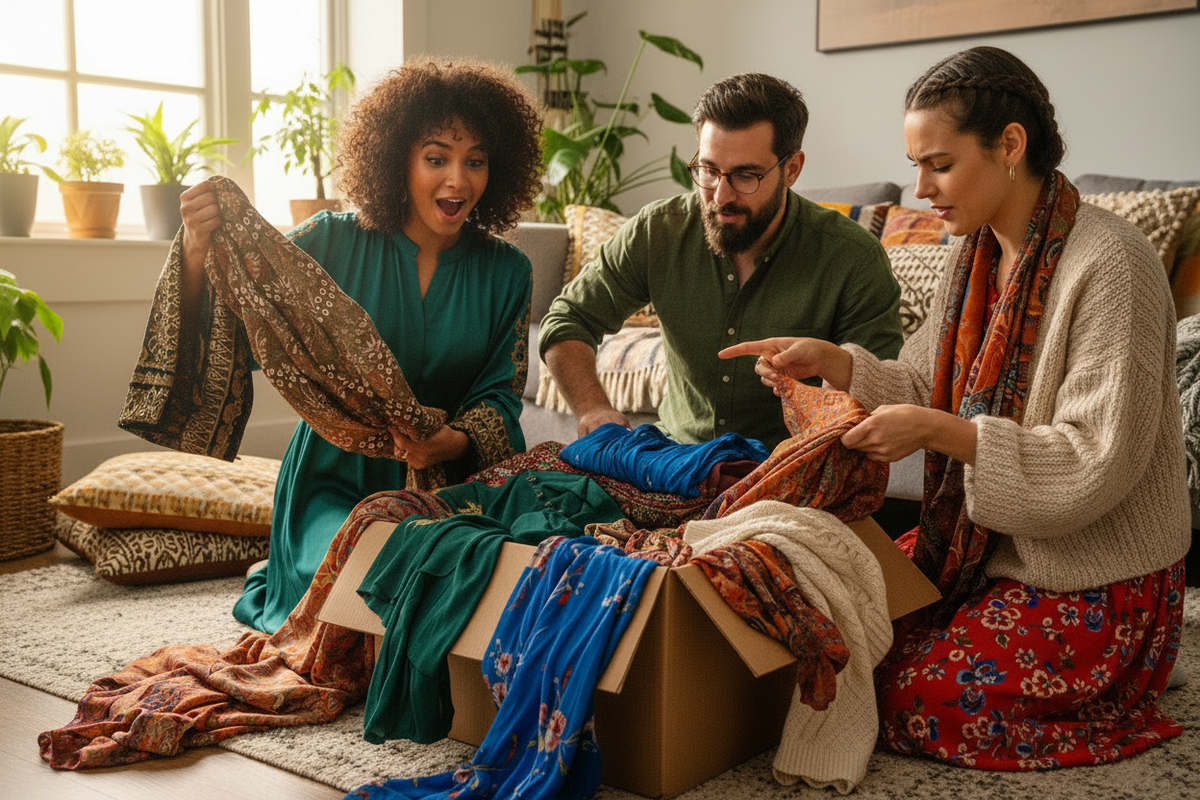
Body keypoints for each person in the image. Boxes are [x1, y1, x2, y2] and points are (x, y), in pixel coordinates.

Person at [722, 46, 1190, 770]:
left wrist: (945, 434)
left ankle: (1133, 675)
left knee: (916, 700)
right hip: (983, 549)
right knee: (835, 639)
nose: (921, 189)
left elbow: (1095, 460)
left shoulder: (1113, 264)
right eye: (915, 166)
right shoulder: (973, 256)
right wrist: (835, 363)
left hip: (1091, 569)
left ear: (1010, 145)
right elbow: (922, 382)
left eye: (939, 165)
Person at [177, 58, 544, 633]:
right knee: (367, 596)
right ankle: (289, 568)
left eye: (475, 161)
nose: (458, 180)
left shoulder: (508, 272)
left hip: (448, 484)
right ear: (397, 159)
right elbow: (243, 334)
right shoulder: (330, 240)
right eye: (436, 158)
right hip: (330, 479)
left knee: (486, 584)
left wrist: (447, 444)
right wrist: (198, 251)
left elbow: (500, 394)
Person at [537, 72, 904, 452]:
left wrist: (831, 368)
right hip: (674, 460)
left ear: (792, 169)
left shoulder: (852, 257)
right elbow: (568, 318)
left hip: (791, 465)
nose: (721, 196)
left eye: (745, 175)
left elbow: (884, 392)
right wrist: (593, 409)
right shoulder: (658, 230)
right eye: (709, 171)